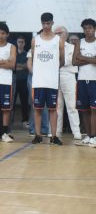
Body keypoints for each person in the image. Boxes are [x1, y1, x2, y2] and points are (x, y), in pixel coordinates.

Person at [28, 12, 65, 145]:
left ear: (52, 23)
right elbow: (33, 58)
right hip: (38, 81)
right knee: (37, 108)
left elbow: (62, 60)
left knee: (53, 109)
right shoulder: (35, 40)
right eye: (44, 23)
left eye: (48, 23)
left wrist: (51, 69)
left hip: (52, 81)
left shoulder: (58, 40)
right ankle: (38, 135)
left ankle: (54, 136)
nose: (46, 26)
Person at [54, 26, 82, 140]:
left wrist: (58, 62)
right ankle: (56, 130)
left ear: (66, 35)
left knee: (72, 105)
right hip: (54, 76)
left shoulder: (72, 47)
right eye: (56, 33)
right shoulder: (52, 46)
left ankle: (76, 131)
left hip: (68, 75)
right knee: (57, 106)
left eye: (60, 33)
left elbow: (69, 61)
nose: (58, 35)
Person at [74, 18, 96, 146]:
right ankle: (88, 136)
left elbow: (79, 58)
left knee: (94, 110)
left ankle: (94, 136)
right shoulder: (79, 42)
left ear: (94, 29)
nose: (88, 30)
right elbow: (74, 61)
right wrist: (91, 59)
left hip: (94, 80)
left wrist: (81, 57)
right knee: (85, 109)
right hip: (82, 80)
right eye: (85, 28)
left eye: (90, 28)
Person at [12, 36, 31, 127]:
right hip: (14, 81)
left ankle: (25, 120)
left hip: (24, 81)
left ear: (24, 43)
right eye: (19, 42)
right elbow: (12, 66)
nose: (20, 43)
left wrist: (17, 66)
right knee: (12, 102)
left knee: (24, 102)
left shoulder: (27, 54)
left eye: (22, 42)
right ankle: (10, 120)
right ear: (17, 43)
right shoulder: (13, 54)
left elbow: (27, 66)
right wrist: (22, 66)